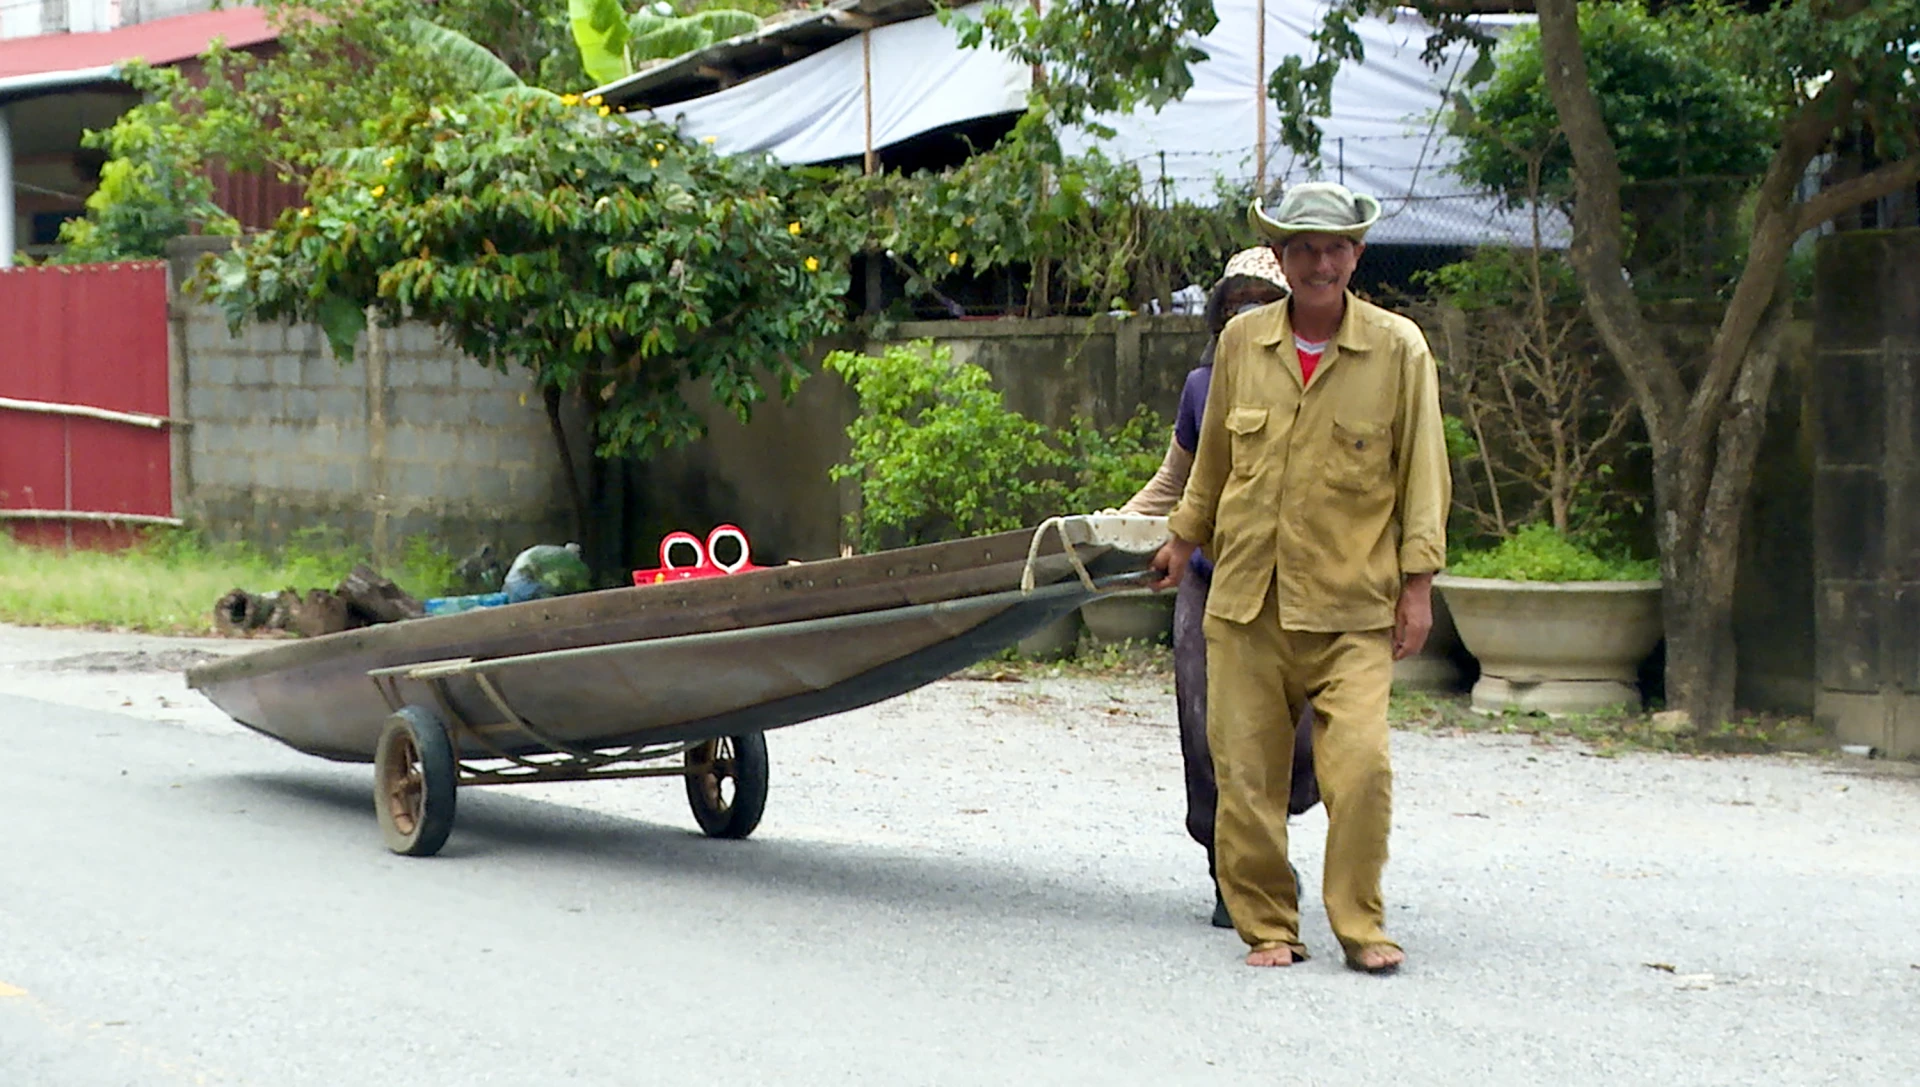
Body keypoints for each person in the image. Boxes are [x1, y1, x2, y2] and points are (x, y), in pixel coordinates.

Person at [1148, 183, 1450, 974]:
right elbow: (1210, 464)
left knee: (1362, 767)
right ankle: (1267, 923)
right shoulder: (1244, 347)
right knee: (1243, 772)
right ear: (1282, 258)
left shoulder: (1398, 349)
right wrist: (1182, 542)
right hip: (1245, 598)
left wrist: (1417, 586)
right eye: (1305, 248)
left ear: (1356, 255)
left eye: (1336, 247)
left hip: (1352, 604)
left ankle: (1360, 920)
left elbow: (1423, 474)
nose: (1322, 262)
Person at [1119, 247, 1321, 930]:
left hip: (1304, 582)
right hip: (1213, 582)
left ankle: (1267, 843)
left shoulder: (1323, 383)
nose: (1247, 321)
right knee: (1208, 730)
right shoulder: (1203, 387)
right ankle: (1227, 868)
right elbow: (1173, 486)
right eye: (1235, 308)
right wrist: (1104, 534)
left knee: (1305, 736)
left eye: (1261, 306)